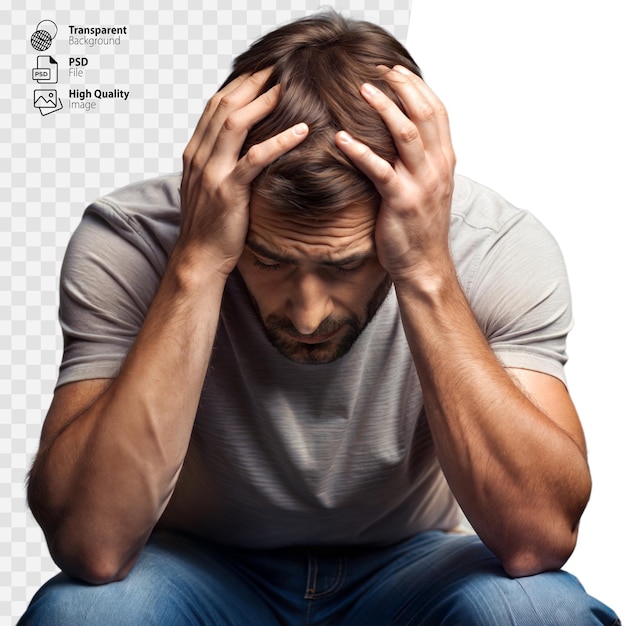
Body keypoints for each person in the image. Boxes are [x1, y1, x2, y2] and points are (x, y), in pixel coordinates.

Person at [19, 11, 619, 625]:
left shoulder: (496, 246)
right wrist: (197, 262)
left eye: (347, 265)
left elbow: (538, 538)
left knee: (541, 613)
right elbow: (91, 546)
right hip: (196, 569)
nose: (307, 317)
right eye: (269, 261)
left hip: (412, 566)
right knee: (85, 616)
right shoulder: (133, 241)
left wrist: (426, 272)